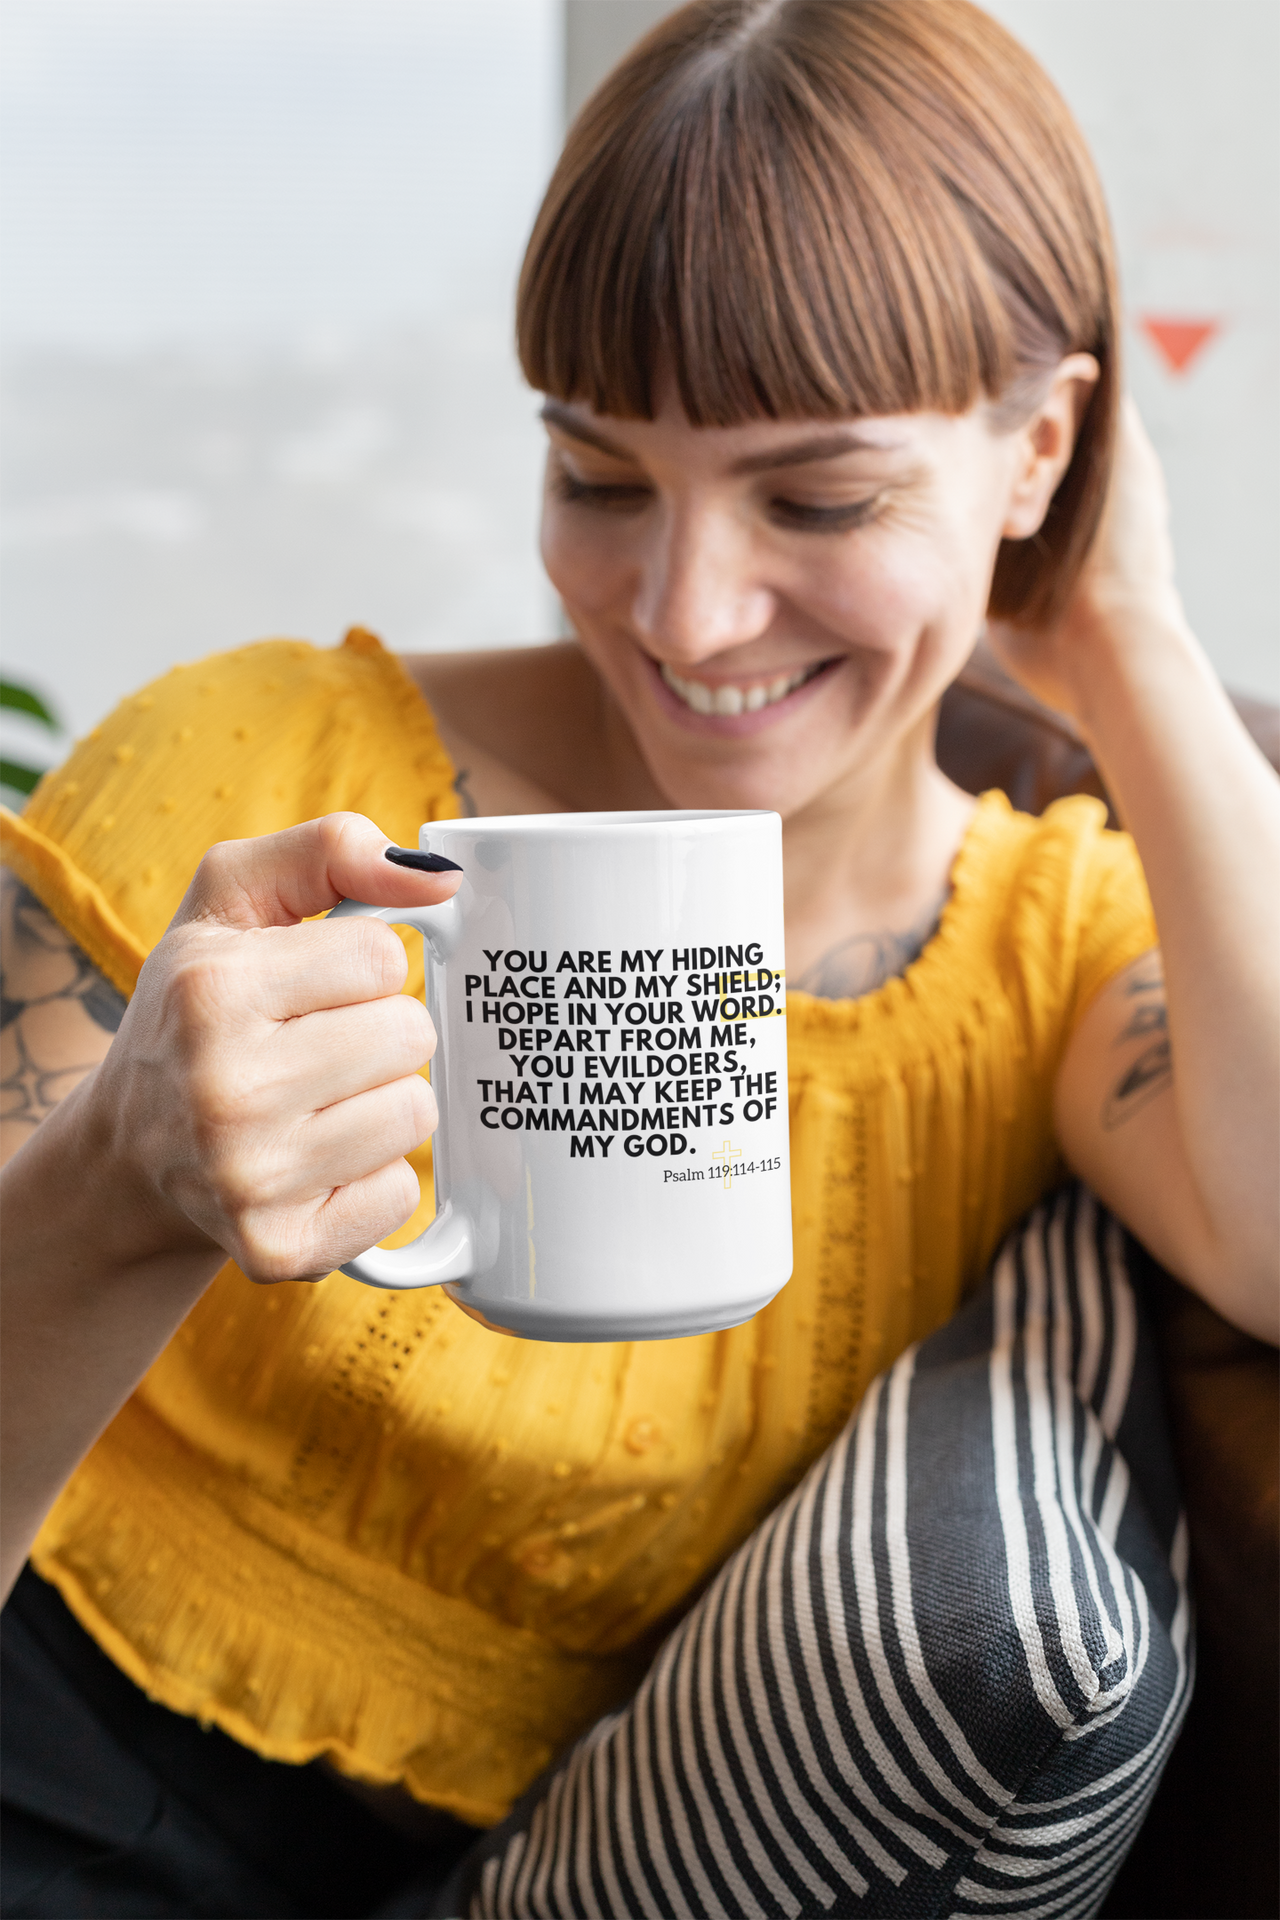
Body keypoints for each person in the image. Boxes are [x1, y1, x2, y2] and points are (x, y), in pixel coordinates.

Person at [1, 0, 1276, 1914]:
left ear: (1043, 454)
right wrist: (117, 1185)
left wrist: (1131, 639)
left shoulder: (1047, 953)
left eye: (820, 498)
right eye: (599, 478)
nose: (682, 612)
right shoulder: (256, 768)